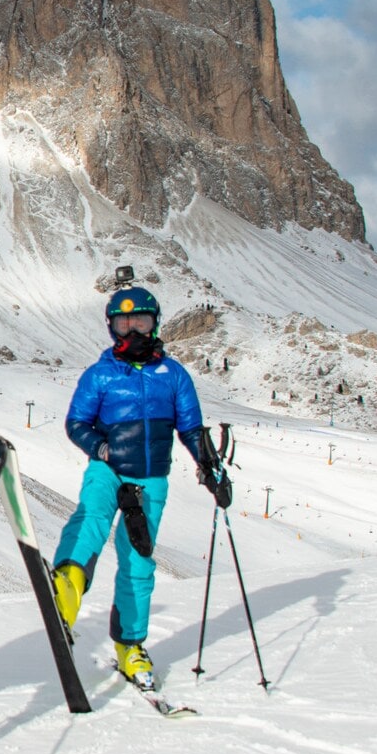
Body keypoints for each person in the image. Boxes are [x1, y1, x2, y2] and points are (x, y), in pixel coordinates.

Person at [51, 287, 233, 688]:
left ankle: (130, 646)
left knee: (138, 561)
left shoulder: (174, 377)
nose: (131, 331)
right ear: (112, 327)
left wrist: (210, 469)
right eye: (123, 324)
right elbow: (76, 423)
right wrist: (99, 447)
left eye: (141, 323)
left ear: (155, 324)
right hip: (108, 468)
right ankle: (66, 585)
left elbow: (190, 429)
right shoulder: (99, 375)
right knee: (91, 516)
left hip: (150, 478)